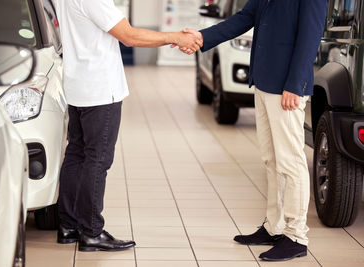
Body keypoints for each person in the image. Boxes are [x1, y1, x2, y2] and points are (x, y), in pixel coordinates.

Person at [179, 0, 327, 261]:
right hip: (263, 80)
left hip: (286, 86)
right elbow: (244, 17)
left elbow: (311, 34)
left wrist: (295, 83)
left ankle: (296, 236)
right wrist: (202, 37)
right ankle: (274, 226)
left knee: (290, 161)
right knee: (271, 160)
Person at [54, 0, 202, 252]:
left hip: (78, 84)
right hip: (100, 89)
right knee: (97, 159)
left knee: (76, 153)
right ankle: (91, 231)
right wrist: (176, 37)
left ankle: (69, 226)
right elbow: (129, 36)